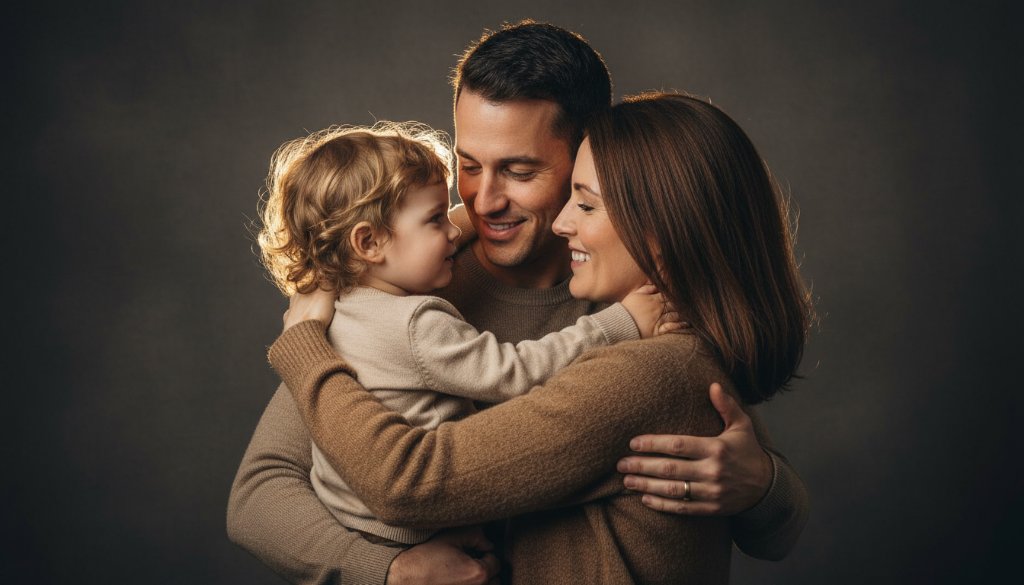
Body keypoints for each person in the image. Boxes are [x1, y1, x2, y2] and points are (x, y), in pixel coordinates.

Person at [228, 21, 809, 585]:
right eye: (470, 166)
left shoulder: (633, 306)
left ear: (589, 159)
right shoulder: (403, 287)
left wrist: (762, 484)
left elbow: (772, 526)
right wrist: (389, 571)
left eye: (520, 170)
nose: (484, 199)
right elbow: (260, 492)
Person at [255, 121, 672, 547]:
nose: (459, 226)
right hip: (414, 536)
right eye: (437, 219)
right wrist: (623, 322)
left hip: (352, 522)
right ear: (369, 242)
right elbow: (516, 372)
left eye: (520, 171)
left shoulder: (334, 308)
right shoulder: (417, 321)